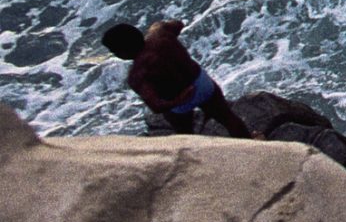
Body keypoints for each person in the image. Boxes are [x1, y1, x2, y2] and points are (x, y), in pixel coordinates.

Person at [102, 20, 257, 138]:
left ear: (122, 52)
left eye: (114, 51)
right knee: (227, 118)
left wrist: (179, 100)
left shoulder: (137, 75)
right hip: (201, 83)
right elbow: (178, 24)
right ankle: (251, 145)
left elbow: (156, 106)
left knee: (185, 134)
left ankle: (193, 164)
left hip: (178, 102)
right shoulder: (160, 33)